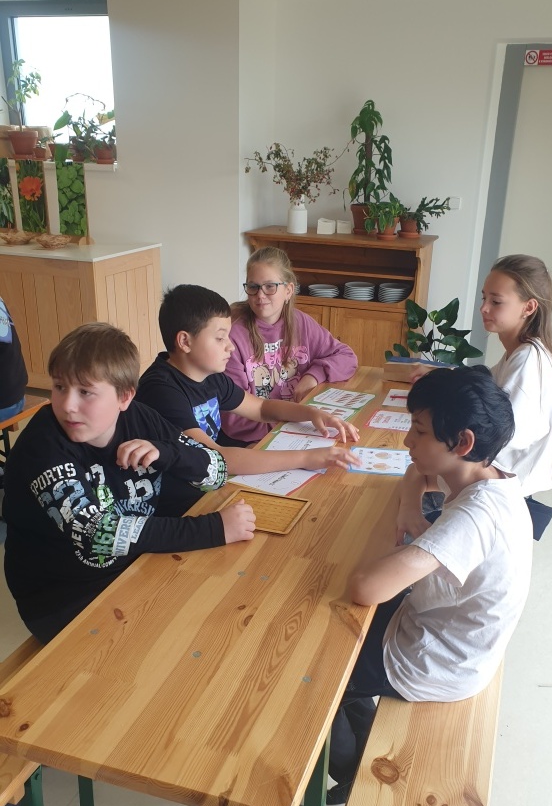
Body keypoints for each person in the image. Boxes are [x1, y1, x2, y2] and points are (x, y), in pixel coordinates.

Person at [326, 366, 533, 806]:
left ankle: (351, 776)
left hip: (437, 661)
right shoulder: (486, 474)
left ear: (462, 442)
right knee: (333, 630)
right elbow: (413, 474)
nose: (407, 441)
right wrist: (409, 509)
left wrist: (410, 537)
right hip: (445, 629)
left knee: (316, 674)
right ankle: (360, 719)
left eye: (419, 432)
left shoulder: (474, 519)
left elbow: (366, 587)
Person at [3, 322, 256, 645]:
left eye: (85, 392)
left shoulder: (141, 418)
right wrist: (215, 529)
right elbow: (98, 533)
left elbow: (217, 471)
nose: (67, 405)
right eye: (59, 387)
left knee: (227, 616)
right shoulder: (42, 446)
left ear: (124, 397)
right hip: (64, 599)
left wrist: (167, 453)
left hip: (136, 564)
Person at [135, 284, 360, 513]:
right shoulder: (161, 390)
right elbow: (215, 458)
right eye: (220, 338)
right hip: (178, 507)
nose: (231, 346)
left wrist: (312, 413)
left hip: (209, 486)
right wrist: (305, 458)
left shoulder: (208, 375)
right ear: (185, 341)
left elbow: (261, 408)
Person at [398, 254, 552, 541]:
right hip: (487, 487)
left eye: (496, 301)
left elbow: (498, 435)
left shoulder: (528, 361)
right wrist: (443, 375)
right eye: (484, 298)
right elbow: (484, 386)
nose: (484, 308)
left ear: (528, 307)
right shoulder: (520, 353)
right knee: (409, 479)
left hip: (493, 499)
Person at [220, 246, 358, 445]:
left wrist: (313, 376)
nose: (260, 295)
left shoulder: (301, 322)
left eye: (270, 286)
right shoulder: (233, 335)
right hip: (254, 438)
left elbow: (346, 356)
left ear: (288, 290)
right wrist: (291, 423)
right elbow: (235, 418)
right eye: (253, 287)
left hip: (297, 427)